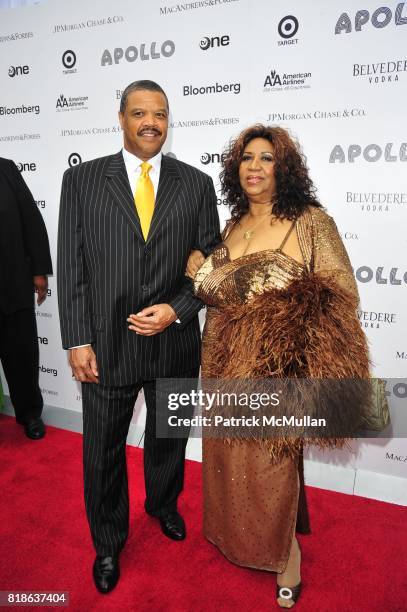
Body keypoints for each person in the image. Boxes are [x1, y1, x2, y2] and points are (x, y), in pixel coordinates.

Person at [190, 125, 370, 608]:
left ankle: (284, 553)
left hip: (274, 365)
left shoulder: (310, 221)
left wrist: (274, 311)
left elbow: (341, 292)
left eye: (266, 158)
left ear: (283, 168)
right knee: (228, 454)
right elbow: (217, 292)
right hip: (222, 355)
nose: (254, 167)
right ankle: (235, 537)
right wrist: (207, 275)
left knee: (270, 461)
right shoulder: (231, 225)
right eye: (247, 158)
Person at [57, 80, 220, 594]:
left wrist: (178, 309)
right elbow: (73, 265)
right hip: (106, 344)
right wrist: (77, 338)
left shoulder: (195, 184)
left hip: (173, 340)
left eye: (161, 114)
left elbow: (213, 266)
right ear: (121, 117)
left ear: (169, 122)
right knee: (102, 447)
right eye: (140, 113)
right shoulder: (81, 180)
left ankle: (163, 503)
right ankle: (107, 542)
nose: (151, 122)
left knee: (167, 434)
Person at [0, 157, 52, 440]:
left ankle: (30, 413)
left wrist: (39, 272)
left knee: (21, 355)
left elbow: (31, 219)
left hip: (12, 282)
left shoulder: (5, 169)